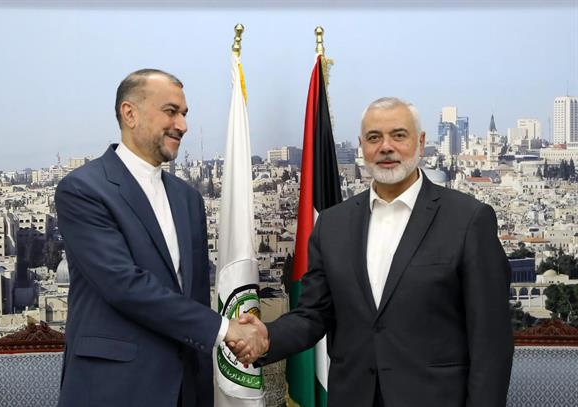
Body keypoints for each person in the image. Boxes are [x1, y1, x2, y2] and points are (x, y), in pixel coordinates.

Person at [240, 97, 513, 406]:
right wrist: (266, 337)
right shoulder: (332, 224)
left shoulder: (468, 220)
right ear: (361, 146)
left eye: (398, 135)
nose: (386, 147)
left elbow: (491, 342)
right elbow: (313, 314)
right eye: (374, 137)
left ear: (421, 142)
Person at [55, 69, 267, 407]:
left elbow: (194, 294)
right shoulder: (83, 189)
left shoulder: (188, 198)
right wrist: (227, 330)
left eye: (184, 114)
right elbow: (124, 285)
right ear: (130, 113)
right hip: (113, 390)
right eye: (171, 111)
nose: (182, 125)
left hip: (185, 390)